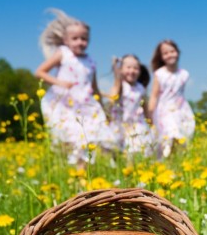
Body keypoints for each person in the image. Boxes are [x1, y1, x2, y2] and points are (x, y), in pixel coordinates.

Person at [35, 9, 116, 166]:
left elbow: (94, 88)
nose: (80, 42)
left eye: (84, 39)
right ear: (66, 40)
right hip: (66, 105)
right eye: (75, 38)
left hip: (87, 106)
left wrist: (104, 103)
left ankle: (101, 171)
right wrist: (59, 83)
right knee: (76, 139)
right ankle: (79, 175)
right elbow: (40, 72)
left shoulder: (91, 62)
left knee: (99, 138)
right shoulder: (63, 53)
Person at [147, 40, 195, 159]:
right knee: (170, 136)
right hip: (165, 111)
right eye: (165, 53)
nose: (169, 55)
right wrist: (150, 114)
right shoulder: (159, 74)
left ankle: (176, 162)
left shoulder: (184, 74)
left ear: (177, 52)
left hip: (182, 110)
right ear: (162, 57)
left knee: (183, 138)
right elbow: (154, 95)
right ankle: (166, 162)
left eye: (172, 51)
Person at [107, 54, 153, 158]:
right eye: (128, 67)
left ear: (140, 71)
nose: (132, 71)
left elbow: (144, 105)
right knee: (116, 153)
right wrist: (116, 74)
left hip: (136, 124)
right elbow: (112, 99)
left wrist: (149, 120)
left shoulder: (140, 88)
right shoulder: (119, 85)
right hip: (119, 124)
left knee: (135, 151)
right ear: (121, 69)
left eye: (135, 68)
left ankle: (131, 170)